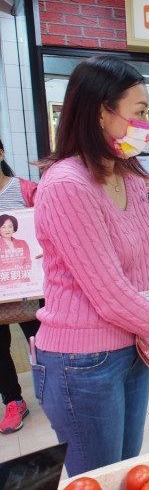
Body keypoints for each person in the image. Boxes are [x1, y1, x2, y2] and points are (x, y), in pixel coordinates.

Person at [34, 56, 149, 475]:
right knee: (99, 478)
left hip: (130, 350)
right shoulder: (66, 184)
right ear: (101, 112)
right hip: (81, 363)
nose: (146, 124)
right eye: (140, 112)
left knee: (127, 471)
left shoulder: (127, 176)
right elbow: (109, 294)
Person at [0, 142, 39, 434]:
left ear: (1, 153)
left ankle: (55, 392)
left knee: (41, 339)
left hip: (28, 284)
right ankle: (13, 400)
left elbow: (49, 228)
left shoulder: (26, 190)